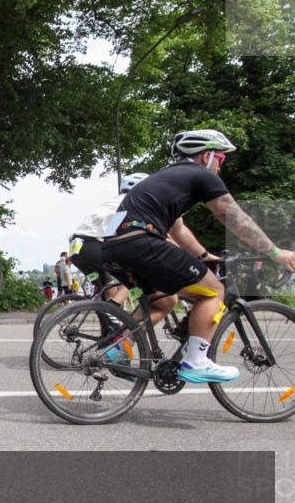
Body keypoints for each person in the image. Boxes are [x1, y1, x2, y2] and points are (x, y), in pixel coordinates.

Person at [102, 129, 295, 383]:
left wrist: (205, 256)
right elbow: (232, 216)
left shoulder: (165, 178)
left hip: (113, 247)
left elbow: (178, 230)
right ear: (207, 156)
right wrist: (275, 252)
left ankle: (117, 348)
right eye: (222, 160)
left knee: (163, 300)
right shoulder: (200, 174)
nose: (221, 167)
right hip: (141, 242)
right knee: (214, 291)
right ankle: (195, 362)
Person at [68, 172, 147, 307]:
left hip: (76, 249)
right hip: (91, 245)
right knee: (135, 274)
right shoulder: (130, 202)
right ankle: (115, 307)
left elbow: (110, 230)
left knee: (105, 287)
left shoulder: (111, 202)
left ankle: (109, 324)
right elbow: (115, 231)